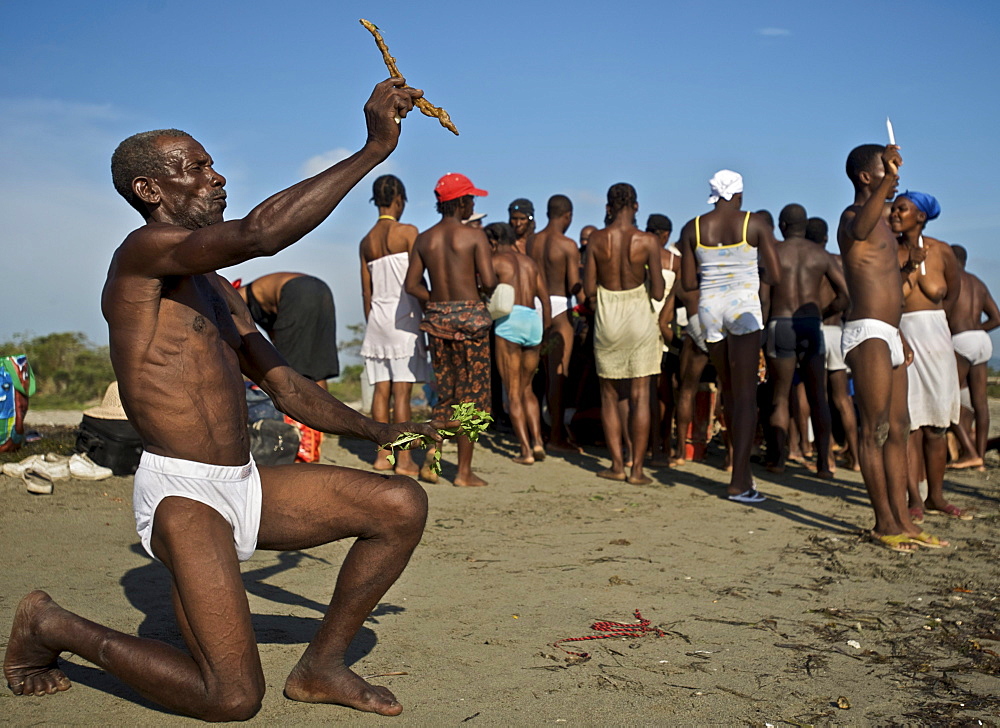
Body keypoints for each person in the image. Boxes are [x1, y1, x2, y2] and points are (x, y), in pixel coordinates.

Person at [3, 79, 440, 719]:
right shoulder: (142, 255)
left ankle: (320, 665)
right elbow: (262, 233)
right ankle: (54, 626)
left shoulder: (214, 287)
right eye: (197, 168)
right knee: (231, 698)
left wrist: (382, 432)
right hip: (184, 496)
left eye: (212, 165)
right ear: (149, 191)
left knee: (400, 502)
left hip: (244, 483)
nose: (217, 177)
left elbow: (284, 384)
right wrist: (373, 148)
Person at [837, 144, 947, 552]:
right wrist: (886, 183)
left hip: (890, 331)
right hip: (866, 332)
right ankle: (884, 523)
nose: (896, 175)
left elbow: (884, 277)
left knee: (900, 428)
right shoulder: (853, 217)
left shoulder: (885, 223)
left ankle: (904, 519)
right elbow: (860, 230)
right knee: (876, 429)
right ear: (867, 177)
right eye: (887, 168)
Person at [679, 170, 780, 502]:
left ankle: (740, 471)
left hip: (709, 307)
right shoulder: (754, 223)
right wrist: (749, 272)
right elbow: (775, 274)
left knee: (729, 390)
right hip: (743, 306)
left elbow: (689, 283)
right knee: (746, 397)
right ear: (739, 193)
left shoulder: (692, 228)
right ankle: (739, 480)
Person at [405, 173, 497, 487]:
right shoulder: (474, 236)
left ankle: (432, 462)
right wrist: (472, 295)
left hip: (438, 323)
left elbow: (412, 284)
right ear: (460, 202)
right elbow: (490, 281)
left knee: (445, 396)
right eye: (471, 198)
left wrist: (440, 302)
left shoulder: (425, 239)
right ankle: (464, 472)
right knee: (471, 398)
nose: (473, 203)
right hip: (471, 321)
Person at [891, 191, 967, 520]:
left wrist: (938, 326)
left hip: (937, 337)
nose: (894, 213)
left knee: (936, 425)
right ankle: (914, 500)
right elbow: (889, 297)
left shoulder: (942, 252)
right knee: (909, 423)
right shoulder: (889, 252)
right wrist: (908, 264)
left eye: (901, 209)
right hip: (903, 337)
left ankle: (936, 495)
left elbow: (952, 296)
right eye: (894, 208)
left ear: (920, 216)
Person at [583, 183, 664, 484]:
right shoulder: (648, 241)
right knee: (641, 395)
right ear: (636, 206)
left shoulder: (596, 239)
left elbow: (589, 289)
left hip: (608, 315)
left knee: (609, 395)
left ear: (608, 207)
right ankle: (637, 470)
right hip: (639, 315)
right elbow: (657, 292)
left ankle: (616, 465)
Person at [764, 204, 848, 478]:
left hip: (781, 323)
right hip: (811, 325)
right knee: (818, 397)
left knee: (780, 397)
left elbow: (763, 298)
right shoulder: (820, 255)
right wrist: (823, 313)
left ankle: (777, 461)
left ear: (782, 225)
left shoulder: (773, 254)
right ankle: (824, 464)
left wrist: (763, 333)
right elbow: (845, 294)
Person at [359, 174, 429, 476]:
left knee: (380, 392)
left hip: (377, 320)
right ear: (399, 199)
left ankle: (381, 456)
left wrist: (372, 322)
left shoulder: (366, 241)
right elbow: (418, 279)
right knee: (402, 394)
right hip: (405, 319)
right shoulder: (409, 232)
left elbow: (366, 291)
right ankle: (404, 460)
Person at [487, 222, 551, 464]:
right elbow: (544, 300)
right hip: (533, 320)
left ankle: (525, 451)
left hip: (510, 321)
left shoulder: (496, 262)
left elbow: (485, 289)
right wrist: (543, 334)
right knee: (528, 390)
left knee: (512, 393)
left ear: (493, 242)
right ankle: (537, 442)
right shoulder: (529, 262)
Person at [528, 194, 583, 453]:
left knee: (530, 377)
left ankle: (533, 435)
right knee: (557, 377)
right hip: (559, 307)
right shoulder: (567, 245)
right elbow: (574, 283)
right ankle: (556, 436)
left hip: (532, 305)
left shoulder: (532, 242)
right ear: (567, 216)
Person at [808, 216, 860, 472]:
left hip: (815, 329)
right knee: (843, 399)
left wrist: (822, 310)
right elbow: (848, 298)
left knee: (818, 398)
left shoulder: (807, 262)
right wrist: (835, 310)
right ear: (827, 237)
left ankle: (825, 456)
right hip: (836, 330)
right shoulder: (839, 262)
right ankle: (857, 458)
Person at [235, 272, 339, 389]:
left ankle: (303, 406)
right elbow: (275, 337)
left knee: (289, 371)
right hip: (321, 289)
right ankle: (324, 406)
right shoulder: (257, 300)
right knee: (316, 369)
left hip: (296, 291)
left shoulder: (236, 298)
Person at [948, 245, 1000, 470]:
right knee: (981, 404)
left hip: (961, 340)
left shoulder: (950, 279)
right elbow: (997, 318)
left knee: (947, 396)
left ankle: (969, 452)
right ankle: (979, 459)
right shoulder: (978, 283)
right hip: (982, 340)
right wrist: (976, 328)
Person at [646, 213, 681, 465]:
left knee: (640, 390)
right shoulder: (674, 261)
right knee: (665, 392)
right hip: (665, 328)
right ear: (666, 234)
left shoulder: (638, 255)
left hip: (640, 324)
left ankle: (645, 443)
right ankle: (665, 445)